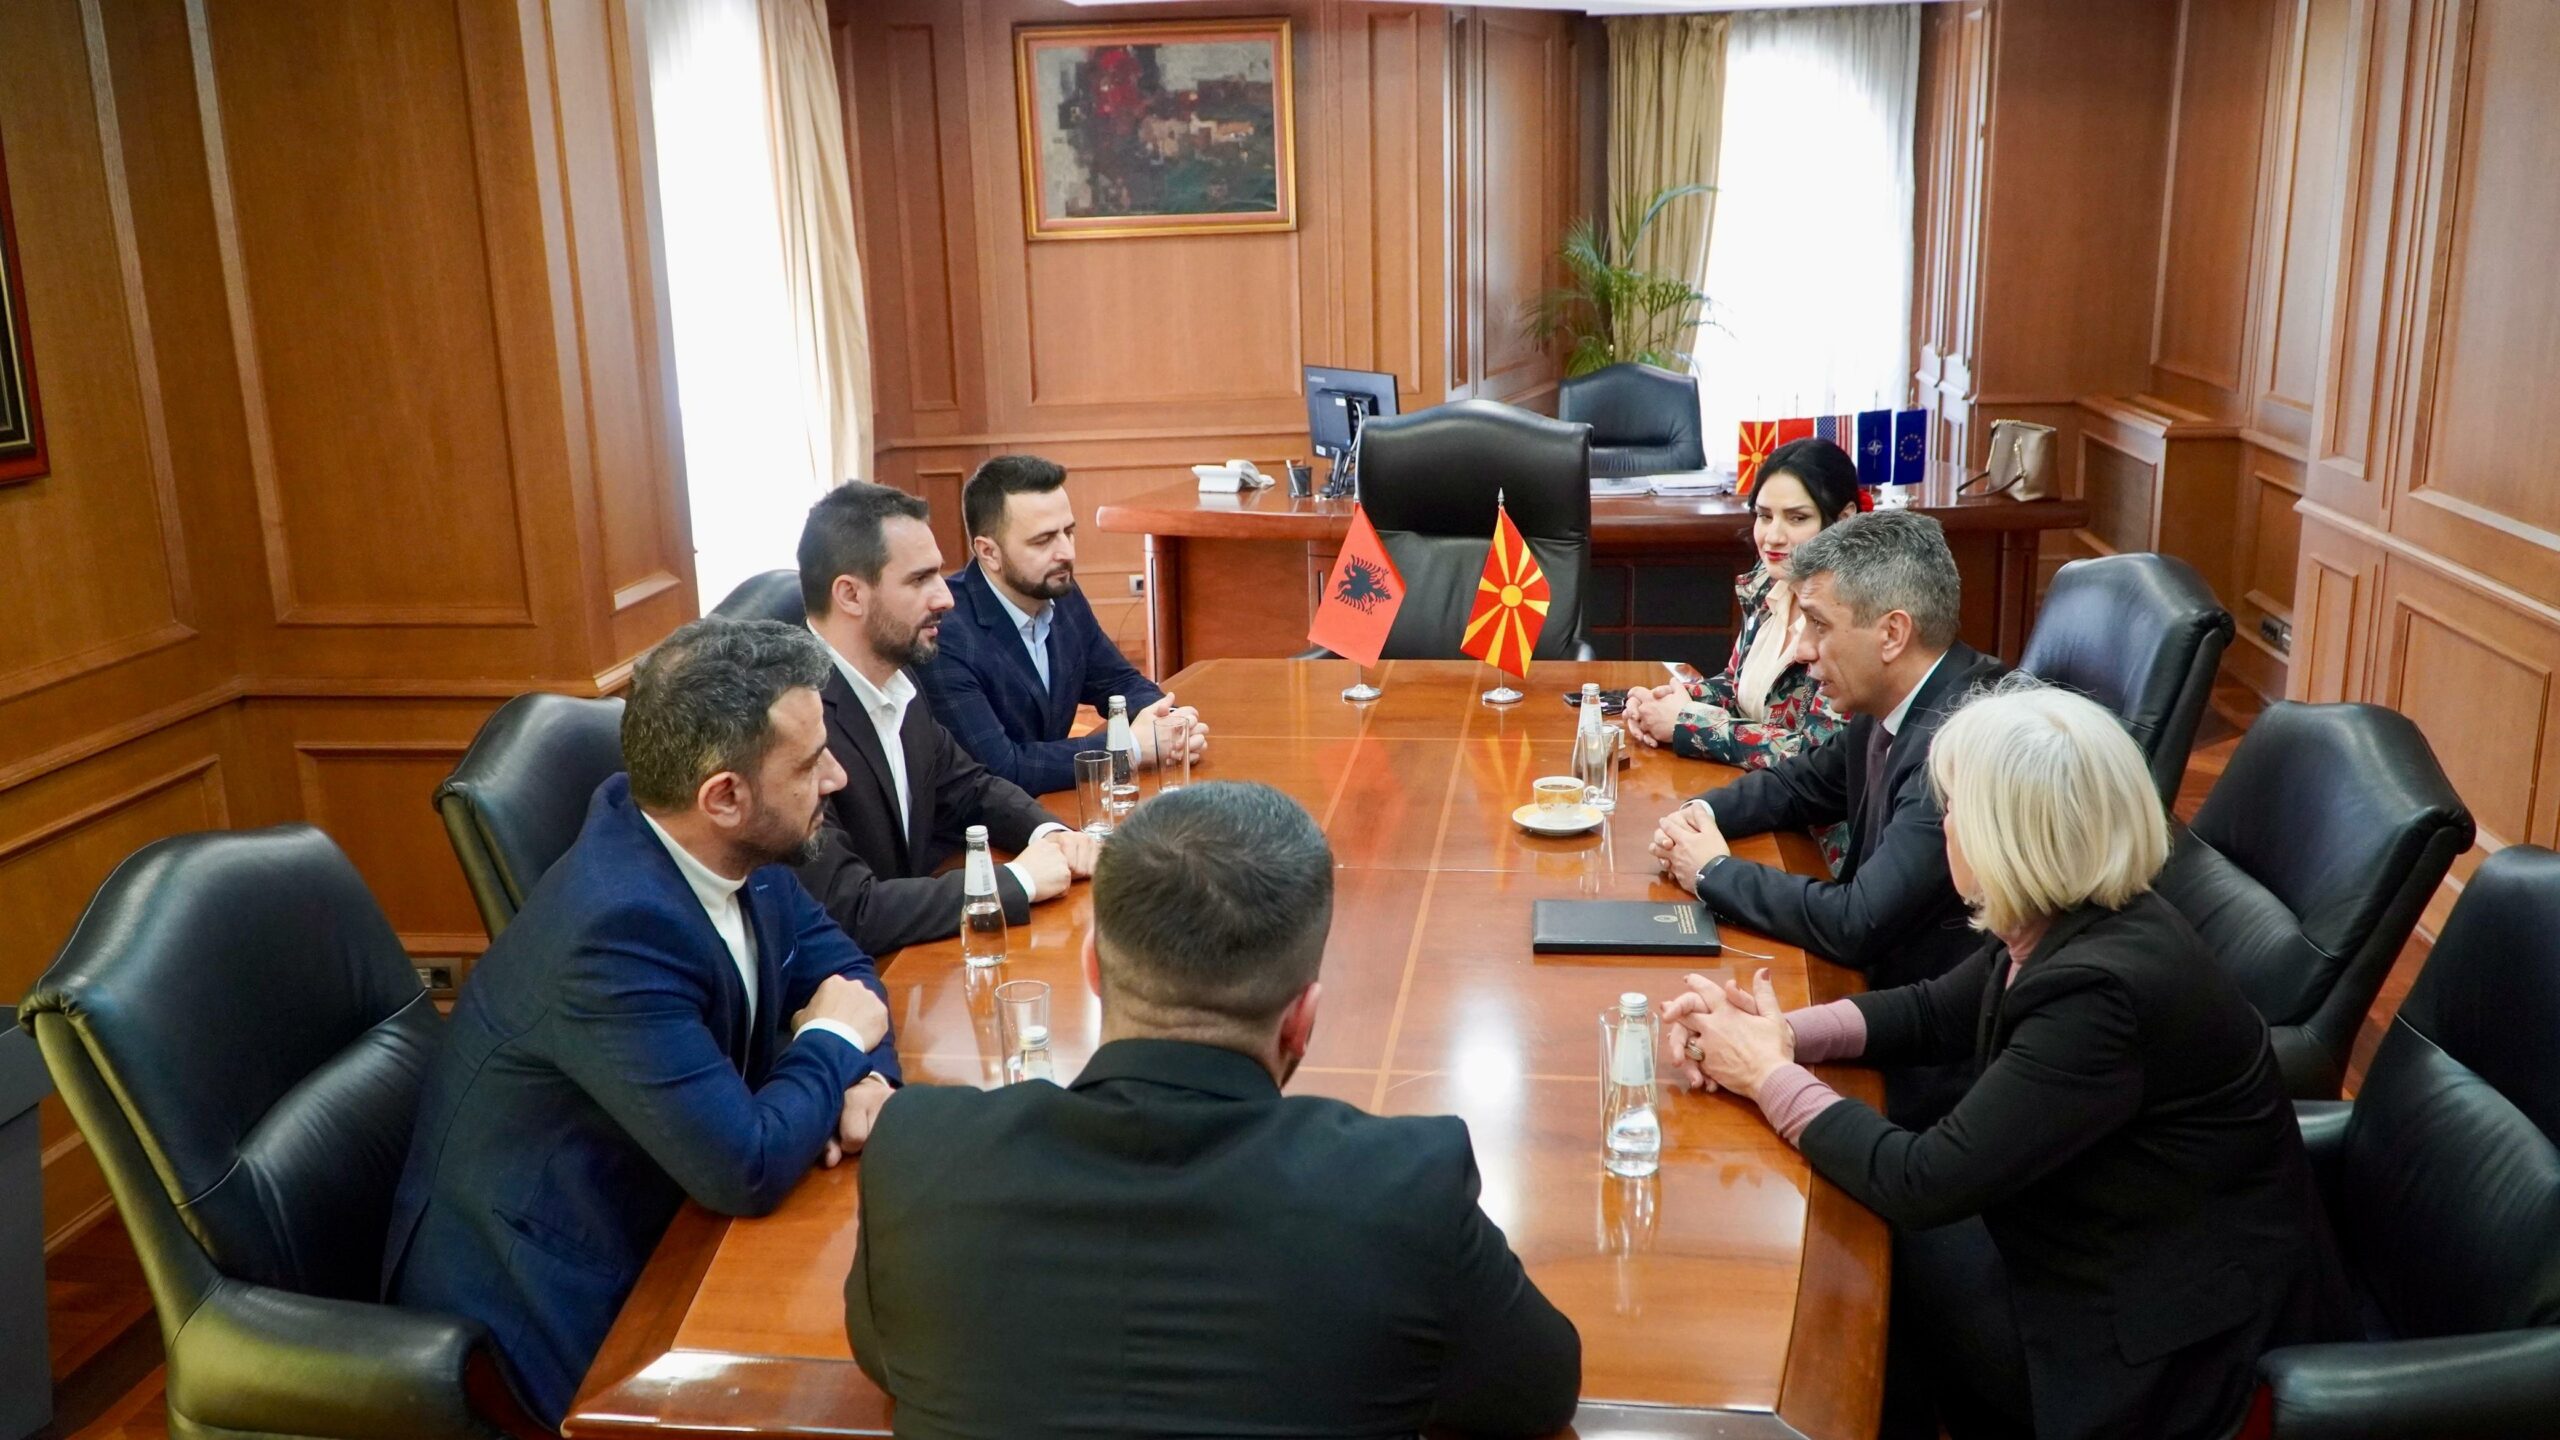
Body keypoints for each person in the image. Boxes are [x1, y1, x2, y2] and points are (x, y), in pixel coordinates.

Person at [1664, 682, 2348, 1440]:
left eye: (1956, 808)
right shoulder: (2068, 917)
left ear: (2010, 837)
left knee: (1848, 1278)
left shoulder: (2100, 994)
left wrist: (1766, 1075)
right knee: (1849, 1249)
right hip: (2082, 1240)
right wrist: (1781, 1035)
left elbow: (1922, 1181)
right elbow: (1934, 1011)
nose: (1944, 826)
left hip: (2155, 1343)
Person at [843, 782, 1582, 1439]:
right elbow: (1540, 1392)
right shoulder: (1404, 1191)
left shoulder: (918, 1155)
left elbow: (888, 1356)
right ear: (1303, 1020)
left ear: (1093, 966)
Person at [384, 619, 903, 1425]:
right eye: (809, 765)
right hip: (558, 1303)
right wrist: (831, 1047)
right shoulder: (613, 933)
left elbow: (848, 976)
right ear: (723, 796)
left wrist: (862, 1077)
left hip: (675, 1204)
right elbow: (746, 1166)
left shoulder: (736, 845)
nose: (836, 776)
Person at [795, 482, 1100, 960]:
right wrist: (1016, 880)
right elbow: (851, 908)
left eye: (938, 574)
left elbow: (970, 788)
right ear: (850, 595)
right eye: (920, 580)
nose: (945, 598)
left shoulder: (900, 680)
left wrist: (1050, 835)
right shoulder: (792, 721)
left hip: (911, 957)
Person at [1623, 437, 1859, 869]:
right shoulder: (1768, 584)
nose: (1773, 536)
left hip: (1816, 844)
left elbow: (1815, 761)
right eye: (1764, 516)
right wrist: (1670, 701)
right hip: (1755, 805)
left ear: (1843, 519)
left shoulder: (1853, 615)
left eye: (1797, 518)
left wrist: (1688, 723)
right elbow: (1739, 688)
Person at [919, 454, 1208, 795]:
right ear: (989, 552)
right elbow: (1002, 769)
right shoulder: (945, 634)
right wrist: (1129, 747)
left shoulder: (1060, 593)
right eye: (1043, 540)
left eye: (1068, 532)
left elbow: (1117, 681)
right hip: (981, 822)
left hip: (1051, 805)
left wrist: (1168, 721)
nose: (1066, 553)